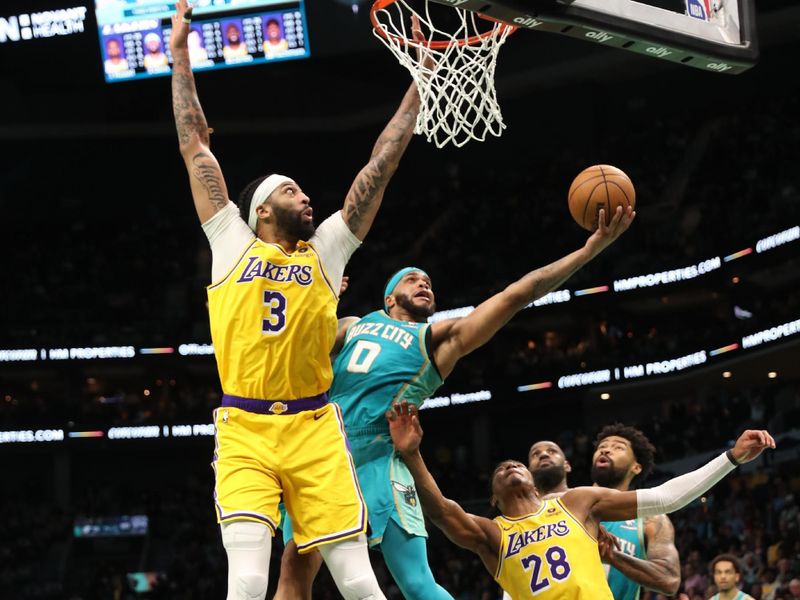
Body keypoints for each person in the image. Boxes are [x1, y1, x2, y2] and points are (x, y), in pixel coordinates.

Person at [169, 0, 424, 597]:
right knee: (249, 581)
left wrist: (421, 81)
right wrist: (180, 55)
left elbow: (377, 168)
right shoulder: (230, 240)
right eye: (292, 190)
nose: (307, 197)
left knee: (360, 582)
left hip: (314, 426)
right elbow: (194, 146)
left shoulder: (327, 250)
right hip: (246, 428)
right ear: (261, 209)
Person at [276, 204, 635, 599]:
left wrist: (589, 249)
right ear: (389, 297)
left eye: (428, 282)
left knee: (415, 583)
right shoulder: (353, 325)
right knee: (294, 567)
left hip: (381, 458)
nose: (424, 284)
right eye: (412, 280)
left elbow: (518, 294)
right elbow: (296, 353)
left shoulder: (440, 341)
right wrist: (318, 297)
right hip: (323, 453)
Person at [388, 400, 774, 600]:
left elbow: (665, 497)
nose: (510, 466)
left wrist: (732, 458)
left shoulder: (576, 502)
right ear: (492, 496)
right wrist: (411, 454)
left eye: (515, 463)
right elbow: (439, 509)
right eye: (501, 467)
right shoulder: (492, 533)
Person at [526, 427, 681, 599]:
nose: (606, 449)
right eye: (602, 446)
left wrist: (611, 556)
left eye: (618, 447)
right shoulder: (564, 504)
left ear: (636, 467)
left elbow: (669, 580)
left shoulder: (650, 519)